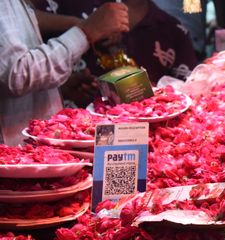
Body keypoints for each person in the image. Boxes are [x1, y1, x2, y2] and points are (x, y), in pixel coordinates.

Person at [0, 0, 129, 146]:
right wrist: (87, 31)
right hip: (14, 155)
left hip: (33, 151)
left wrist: (56, 91)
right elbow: (17, 74)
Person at [32, 0, 198, 84]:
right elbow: (20, 20)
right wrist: (83, 26)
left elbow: (190, 89)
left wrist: (157, 94)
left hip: (146, 135)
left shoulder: (173, 30)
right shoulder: (71, 4)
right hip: (68, 129)